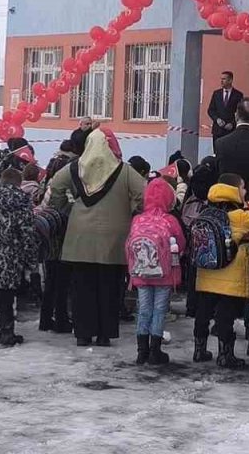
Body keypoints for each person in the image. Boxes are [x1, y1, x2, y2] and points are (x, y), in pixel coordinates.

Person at [48, 128, 146, 347]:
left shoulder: (74, 168)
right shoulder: (125, 171)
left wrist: (65, 208)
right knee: (110, 287)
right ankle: (105, 334)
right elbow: (142, 193)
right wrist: (131, 212)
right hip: (115, 238)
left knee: (82, 287)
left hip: (80, 236)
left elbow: (55, 186)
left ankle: (83, 333)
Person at [191, 174, 249, 369]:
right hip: (231, 275)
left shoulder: (204, 212)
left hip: (206, 272)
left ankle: (199, 349)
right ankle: (225, 354)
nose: (245, 191)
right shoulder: (242, 217)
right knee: (225, 316)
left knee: (203, 312)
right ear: (234, 192)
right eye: (243, 188)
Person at [0, 168, 39, 347]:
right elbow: (28, 235)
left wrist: (2, 156)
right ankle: (7, 332)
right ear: (19, 183)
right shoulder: (23, 202)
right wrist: (32, 263)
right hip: (9, 256)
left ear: (2, 181)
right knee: (6, 296)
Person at [126, 177, 184, 365]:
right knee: (159, 310)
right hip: (164, 274)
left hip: (141, 273)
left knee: (144, 310)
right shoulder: (170, 220)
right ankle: (155, 351)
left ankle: (141, 351)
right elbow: (181, 243)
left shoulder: (137, 219)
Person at [207, 71, 244, 140]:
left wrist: (232, 123)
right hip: (218, 131)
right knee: (217, 150)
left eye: (224, 79)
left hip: (231, 131)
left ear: (230, 80)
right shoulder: (216, 94)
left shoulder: (238, 95)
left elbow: (240, 112)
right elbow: (210, 110)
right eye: (221, 79)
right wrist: (217, 119)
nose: (221, 81)